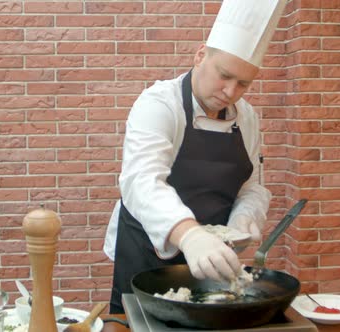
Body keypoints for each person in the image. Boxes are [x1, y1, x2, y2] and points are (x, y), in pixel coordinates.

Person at [103, 0, 287, 314]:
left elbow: (252, 187)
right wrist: (190, 235)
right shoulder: (159, 104)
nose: (230, 91)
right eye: (224, 75)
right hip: (146, 251)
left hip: (212, 257)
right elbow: (141, 181)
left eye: (243, 83)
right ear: (201, 55)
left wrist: (244, 218)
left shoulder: (248, 117)